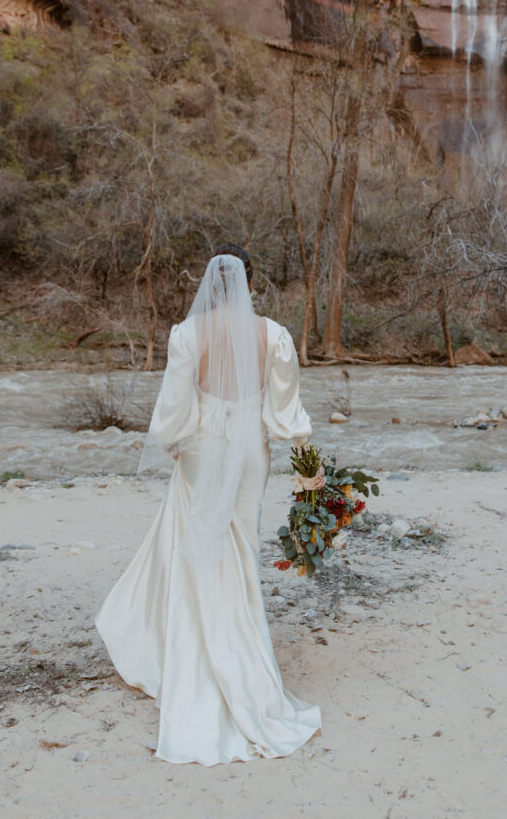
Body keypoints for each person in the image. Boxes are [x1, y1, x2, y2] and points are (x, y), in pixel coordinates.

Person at [95, 246, 321, 766]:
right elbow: (285, 414)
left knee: (199, 546)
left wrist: (175, 440)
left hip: (203, 450)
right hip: (249, 453)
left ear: (208, 284)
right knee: (239, 548)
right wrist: (311, 471)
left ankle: (195, 653)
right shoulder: (274, 336)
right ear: (251, 283)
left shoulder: (187, 334)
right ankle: (242, 657)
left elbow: (175, 408)